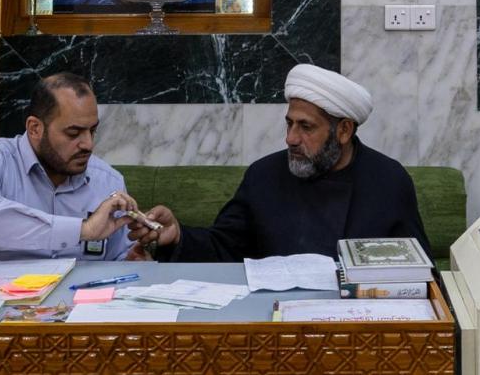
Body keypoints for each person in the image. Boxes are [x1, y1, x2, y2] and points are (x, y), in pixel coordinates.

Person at [132, 63, 428, 262]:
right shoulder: (264, 176)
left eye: (306, 127)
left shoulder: (388, 180)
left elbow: (417, 269)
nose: (290, 139)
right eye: (289, 124)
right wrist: (177, 236)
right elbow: (224, 246)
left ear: (344, 131)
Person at [0, 71, 138, 260]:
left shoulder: (108, 182)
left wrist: (143, 253)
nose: (88, 144)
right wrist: (83, 230)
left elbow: (121, 259)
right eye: (73, 133)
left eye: (92, 131)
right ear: (35, 128)